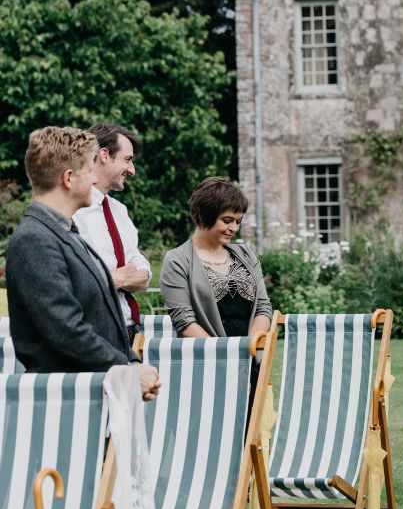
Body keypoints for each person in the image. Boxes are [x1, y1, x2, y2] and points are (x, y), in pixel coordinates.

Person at [6, 126, 160, 400]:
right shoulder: (34, 240)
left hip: (90, 394)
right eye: (89, 170)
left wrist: (132, 365)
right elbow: (65, 329)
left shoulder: (66, 234)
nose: (94, 179)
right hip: (65, 403)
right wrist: (126, 370)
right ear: (68, 178)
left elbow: (97, 317)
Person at [160, 177, 272, 397]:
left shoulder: (246, 255)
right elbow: (185, 322)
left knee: (252, 430)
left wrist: (248, 352)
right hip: (208, 367)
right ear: (204, 216)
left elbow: (263, 306)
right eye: (227, 220)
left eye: (238, 222)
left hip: (250, 362)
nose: (233, 228)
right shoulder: (177, 260)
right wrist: (228, 361)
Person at [73, 123, 152, 348]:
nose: (132, 170)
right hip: (93, 333)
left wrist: (119, 278)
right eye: (128, 159)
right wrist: (114, 278)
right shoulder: (71, 210)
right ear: (105, 155)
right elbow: (75, 280)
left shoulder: (120, 210)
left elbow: (143, 272)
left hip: (131, 332)